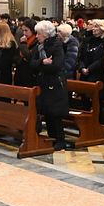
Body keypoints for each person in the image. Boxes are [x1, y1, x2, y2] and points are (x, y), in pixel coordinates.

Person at [31, 20, 71, 151]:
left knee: (55, 113)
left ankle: (60, 139)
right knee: (47, 111)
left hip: (55, 83)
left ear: (46, 34)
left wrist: (41, 66)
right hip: (43, 82)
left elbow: (56, 65)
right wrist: (43, 62)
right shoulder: (39, 46)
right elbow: (32, 64)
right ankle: (51, 137)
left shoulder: (56, 45)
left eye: (38, 34)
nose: (36, 36)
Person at [77, 19, 104, 85]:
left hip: (98, 75)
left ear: (103, 29)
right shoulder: (87, 41)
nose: (93, 29)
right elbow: (80, 56)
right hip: (84, 74)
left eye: (96, 26)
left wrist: (89, 69)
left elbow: (103, 59)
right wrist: (82, 67)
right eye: (93, 26)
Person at [13, 19, 38, 87]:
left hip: (29, 74)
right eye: (23, 30)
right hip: (20, 71)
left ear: (33, 30)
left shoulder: (36, 41)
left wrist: (23, 44)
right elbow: (16, 55)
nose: (24, 33)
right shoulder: (23, 40)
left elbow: (29, 56)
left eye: (26, 30)